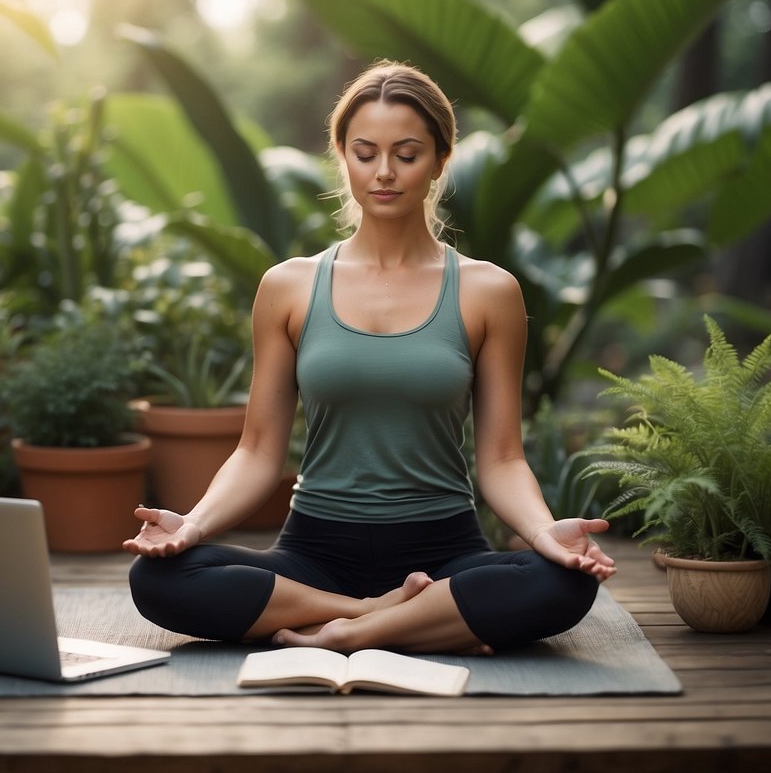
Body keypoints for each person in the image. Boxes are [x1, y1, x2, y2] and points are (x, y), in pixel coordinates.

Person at [123, 59, 615, 655]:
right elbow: (257, 450)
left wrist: (545, 535)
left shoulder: (489, 292)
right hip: (315, 554)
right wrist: (191, 527)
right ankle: (386, 617)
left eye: (407, 155)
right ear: (342, 156)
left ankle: (340, 636)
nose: (385, 173)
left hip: (446, 550)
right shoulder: (290, 286)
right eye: (365, 153)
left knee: (563, 583)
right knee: (157, 578)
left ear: (439, 161)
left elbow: (504, 457)